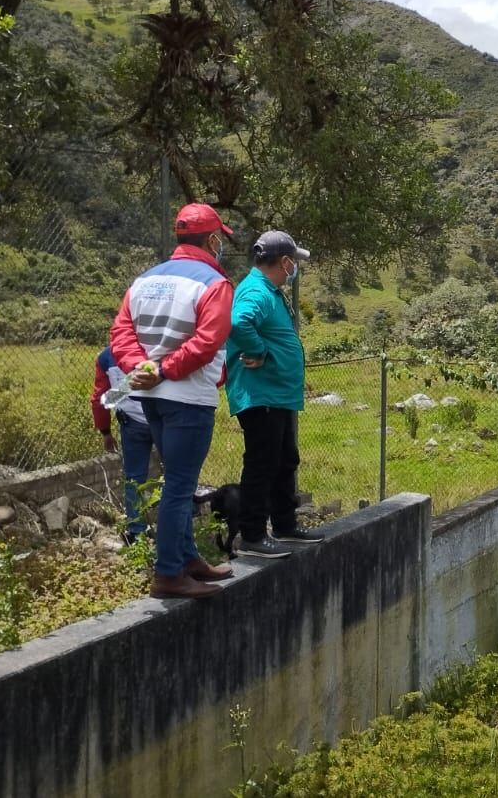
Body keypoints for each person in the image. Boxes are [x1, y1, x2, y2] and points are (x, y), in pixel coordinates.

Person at [110, 203, 237, 599]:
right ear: (213, 240)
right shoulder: (215, 284)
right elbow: (208, 342)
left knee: (175, 481)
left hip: (151, 397)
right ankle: (168, 574)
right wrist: (166, 370)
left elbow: (121, 333)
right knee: (180, 487)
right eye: (221, 240)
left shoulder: (144, 280)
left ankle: (188, 560)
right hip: (188, 397)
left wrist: (141, 367)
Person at [226, 231, 323, 559]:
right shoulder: (255, 290)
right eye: (293, 261)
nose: (294, 267)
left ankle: (284, 524)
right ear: (284, 262)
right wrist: (259, 350)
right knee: (262, 462)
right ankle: (252, 533)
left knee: (284, 460)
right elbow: (239, 322)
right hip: (261, 394)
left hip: (276, 395)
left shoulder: (268, 291)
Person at [90, 346, 154, 543]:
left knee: (134, 478)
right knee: (175, 473)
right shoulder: (156, 346)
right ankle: (179, 526)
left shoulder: (106, 357)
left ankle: (136, 532)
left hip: (131, 423)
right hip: (165, 419)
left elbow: (100, 399)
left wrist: (106, 432)